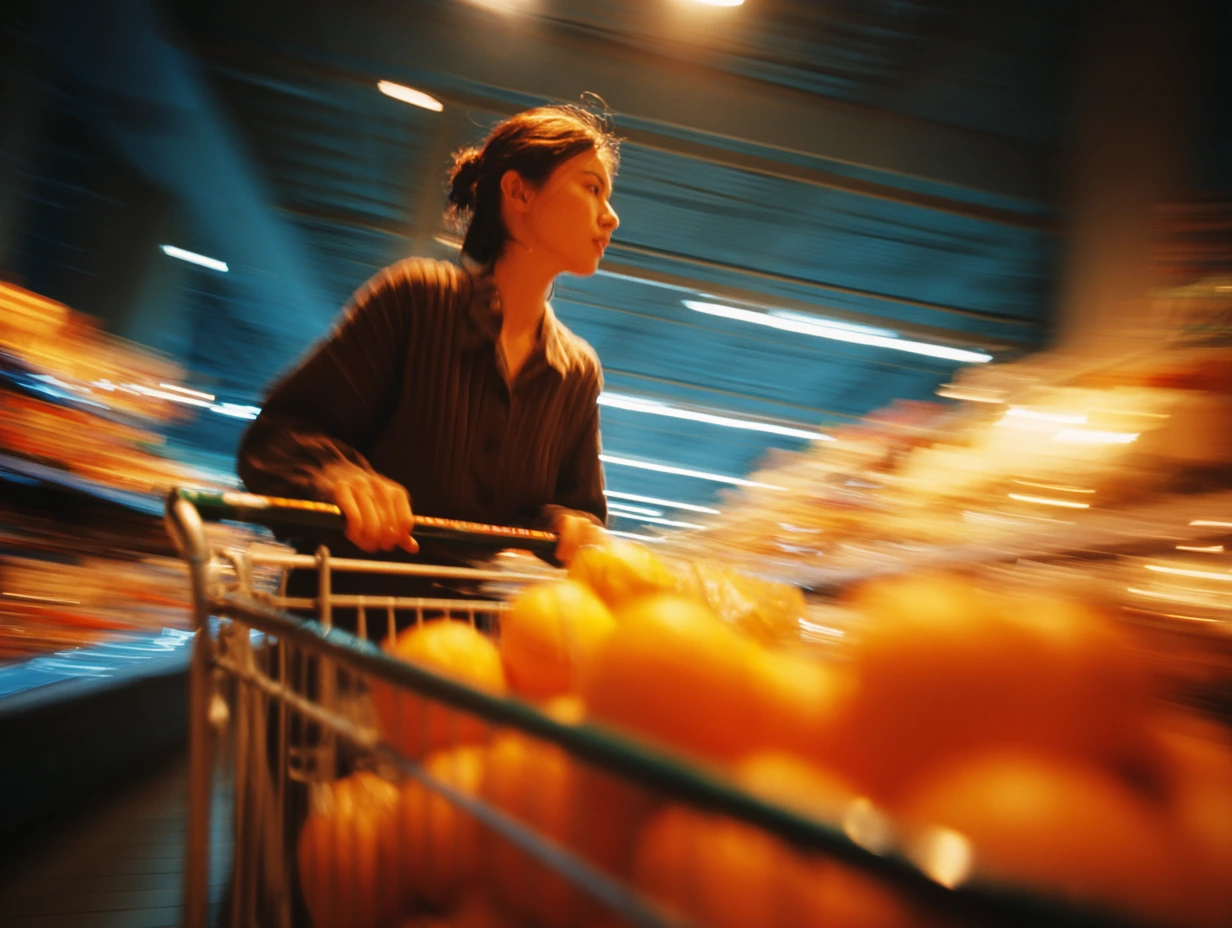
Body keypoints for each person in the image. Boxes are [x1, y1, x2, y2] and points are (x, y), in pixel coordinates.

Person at [237, 104, 620, 577]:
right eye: (592, 188)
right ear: (519, 192)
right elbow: (277, 437)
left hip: (469, 641)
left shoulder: (577, 373)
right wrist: (337, 476)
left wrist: (571, 526)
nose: (612, 218)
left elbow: (572, 507)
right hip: (345, 625)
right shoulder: (417, 301)